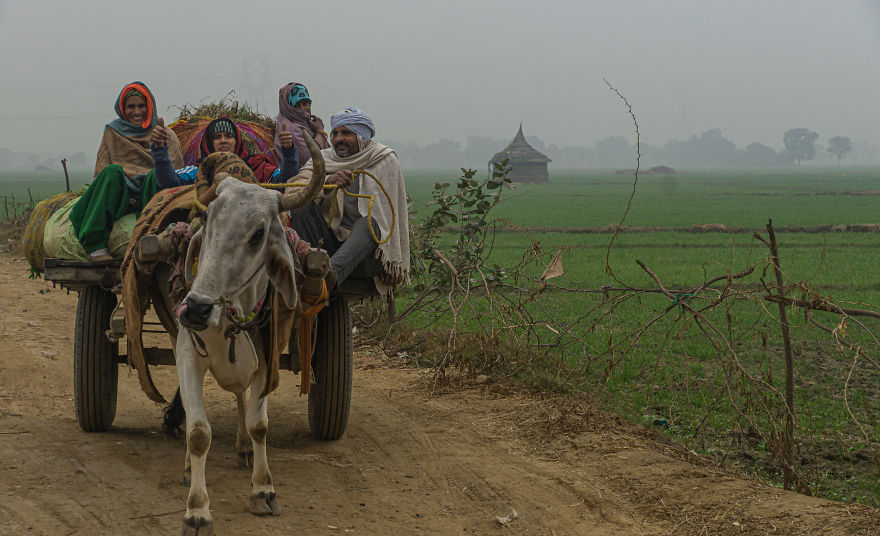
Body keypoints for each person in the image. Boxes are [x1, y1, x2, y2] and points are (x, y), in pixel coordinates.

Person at [287, 107, 409, 293]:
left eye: (346, 133)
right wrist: (326, 181)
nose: (338, 139)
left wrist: (395, 262)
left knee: (369, 223)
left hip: (368, 254)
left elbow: (395, 215)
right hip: (325, 248)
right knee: (301, 204)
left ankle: (328, 275)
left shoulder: (384, 159)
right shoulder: (324, 159)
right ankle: (312, 269)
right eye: (335, 133)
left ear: (362, 136)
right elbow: (294, 188)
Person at [69, 81, 183, 262]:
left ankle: (156, 236)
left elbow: (175, 175)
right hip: (121, 197)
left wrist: (159, 147)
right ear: (122, 108)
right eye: (131, 107)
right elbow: (101, 174)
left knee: (156, 175)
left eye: (141, 106)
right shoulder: (113, 133)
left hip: (152, 195)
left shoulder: (165, 134)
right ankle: (95, 245)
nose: (137, 112)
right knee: (112, 172)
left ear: (150, 106)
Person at [151, 115, 299, 188]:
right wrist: (159, 150)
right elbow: (170, 183)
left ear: (237, 142)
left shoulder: (257, 167)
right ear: (209, 143)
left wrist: (289, 151)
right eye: (217, 137)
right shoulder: (199, 170)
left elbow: (284, 180)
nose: (223, 140)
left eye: (228, 136)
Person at [274, 83, 330, 167]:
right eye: (296, 105)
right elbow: (312, 160)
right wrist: (320, 131)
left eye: (305, 103)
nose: (302, 109)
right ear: (288, 107)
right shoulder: (293, 129)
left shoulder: (307, 125)